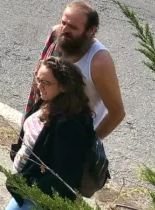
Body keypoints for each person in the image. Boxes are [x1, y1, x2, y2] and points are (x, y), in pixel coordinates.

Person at [23, 1, 125, 139]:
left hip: (70, 141)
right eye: (63, 22)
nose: (64, 29)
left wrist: (88, 146)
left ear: (91, 30)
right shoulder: (56, 35)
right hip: (39, 130)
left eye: (73, 27)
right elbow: (37, 86)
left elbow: (117, 113)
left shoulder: (99, 62)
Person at [6, 58, 96, 209]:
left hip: (36, 196)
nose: (39, 86)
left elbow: (63, 176)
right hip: (25, 186)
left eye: (46, 83)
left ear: (63, 87)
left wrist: (27, 185)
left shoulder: (69, 126)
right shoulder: (47, 100)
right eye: (38, 79)